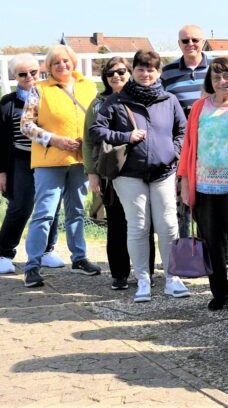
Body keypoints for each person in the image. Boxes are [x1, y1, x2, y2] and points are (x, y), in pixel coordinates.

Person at [91, 49, 189, 302]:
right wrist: (125, 136)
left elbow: (183, 130)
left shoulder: (169, 100)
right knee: (138, 226)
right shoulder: (117, 100)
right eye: (141, 69)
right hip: (129, 174)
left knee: (168, 225)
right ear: (133, 71)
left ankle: (172, 277)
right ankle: (143, 279)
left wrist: (173, 151)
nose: (146, 74)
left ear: (159, 72)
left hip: (164, 171)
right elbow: (96, 130)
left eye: (151, 69)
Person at [20, 45, 103, 287]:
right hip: (50, 160)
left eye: (65, 61)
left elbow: (97, 119)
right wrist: (54, 139)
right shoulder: (39, 89)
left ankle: (79, 258)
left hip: (80, 159)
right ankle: (32, 265)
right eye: (55, 62)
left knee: (76, 211)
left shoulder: (89, 86)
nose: (61, 65)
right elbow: (26, 125)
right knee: (44, 213)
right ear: (49, 67)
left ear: (73, 62)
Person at [178, 58, 228, 311]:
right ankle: (220, 292)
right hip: (204, 186)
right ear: (210, 81)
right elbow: (188, 147)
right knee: (211, 243)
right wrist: (185, 181)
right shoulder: (199, 107)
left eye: (227, 76)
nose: (222, 81)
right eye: (216, 77)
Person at [83, 57, 150, 291]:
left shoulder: (144, 98)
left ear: (130, 73)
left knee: (144, 222)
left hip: (141, 169)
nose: (116, 76)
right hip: (112, 170)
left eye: (121, 71)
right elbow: (88, 140)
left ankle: (146, 273)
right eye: (110, 73)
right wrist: (92, 173)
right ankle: (119, 274)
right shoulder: (98, 104)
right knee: (117, 223)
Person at [0, 53, 62, 275]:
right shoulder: (8, 103)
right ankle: (5, 254)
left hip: (49, 158)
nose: (29, 77)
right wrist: (0, 172)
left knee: (51, 207)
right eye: (23, 74)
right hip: (22, 160)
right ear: (15, 76)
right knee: (20, 206)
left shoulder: (51, 96)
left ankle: (46, 250)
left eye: (33, 72)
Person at [162, 25, 209, 115]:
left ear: (203, 42)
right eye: (185, 41)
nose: (190, 44)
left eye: (195, 40)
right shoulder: (167, 72)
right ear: (179, 44)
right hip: (181, 124)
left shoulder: (217, 67)